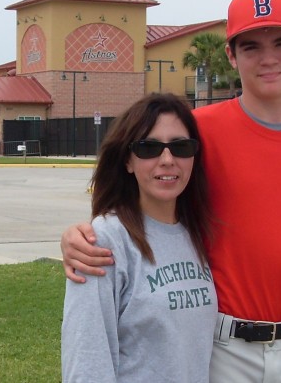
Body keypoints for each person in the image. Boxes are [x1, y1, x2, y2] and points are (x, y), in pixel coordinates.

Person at [61, 0, 281, 383]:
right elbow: (136, 195)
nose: (268, 58)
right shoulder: (197, 135)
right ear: (231, 54)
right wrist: (79, 235)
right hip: (220, 347)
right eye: (250, 47)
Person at [61, 93, 218, 383]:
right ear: (128, 161)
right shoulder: (104, 241)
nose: (168, 160)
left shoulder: (196, 234)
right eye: (149, 148)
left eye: (181, 147)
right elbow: (86, 360)